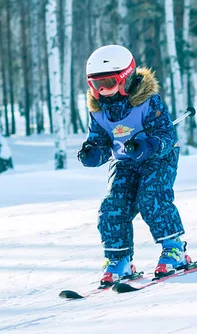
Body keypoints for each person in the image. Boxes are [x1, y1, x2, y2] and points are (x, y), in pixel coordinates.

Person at [78, 44, 191, 284]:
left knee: (151, 197)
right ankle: (119, 259)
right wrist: (93, 154)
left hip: (159, 158)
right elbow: (99, 142)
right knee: (112, 206)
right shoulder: (98, 111)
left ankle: (174, 248)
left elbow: (166, 135)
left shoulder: (148, 102)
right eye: (97, 85)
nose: (103, 91)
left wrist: (149, 145)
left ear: (126, 78)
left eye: (108, 83)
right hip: (125, 163)